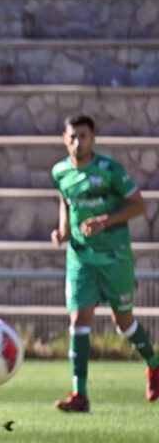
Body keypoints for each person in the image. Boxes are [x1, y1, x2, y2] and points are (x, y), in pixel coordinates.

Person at [50, 114, 156, 413]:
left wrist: (105, 221)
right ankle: (79, 394)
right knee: (78, 320)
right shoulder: (60, 171)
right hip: (81, 258)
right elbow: (65, 201)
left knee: (123, 322)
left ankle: (153, 364)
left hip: (114, 256)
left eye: (82, 136)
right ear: (64, 138)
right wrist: (62, 230)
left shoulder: (109, 170)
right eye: (71, 137)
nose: (77, 142)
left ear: (93, 138)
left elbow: (139, 204)